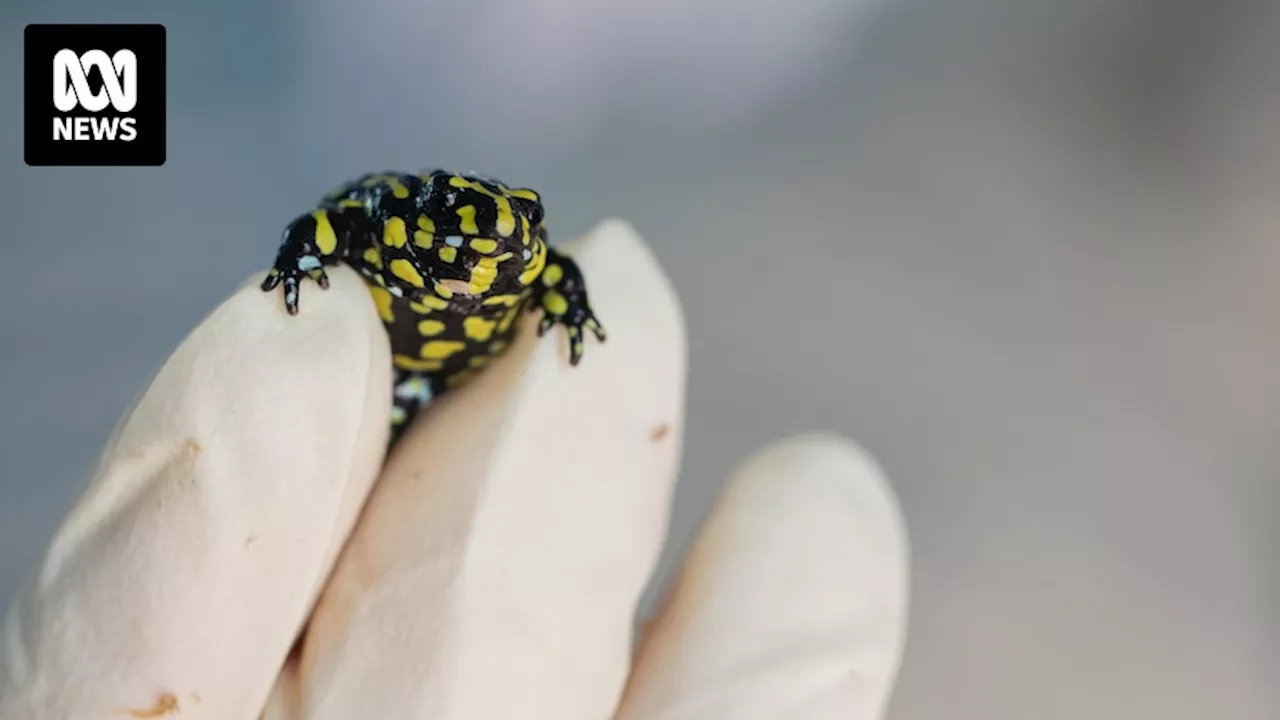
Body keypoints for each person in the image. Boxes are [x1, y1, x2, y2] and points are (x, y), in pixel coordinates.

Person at [0, 220, 909, 719]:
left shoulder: (515, 260)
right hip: (373, 373)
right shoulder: (403, 234)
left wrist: (567, 309)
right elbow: (333, 221)